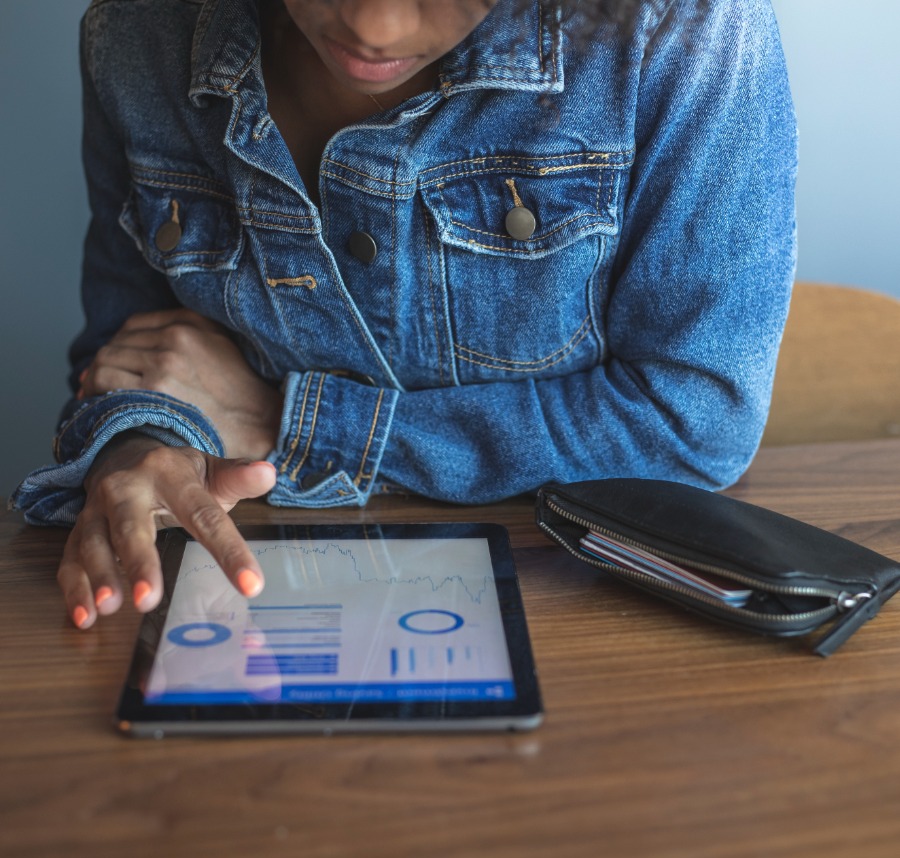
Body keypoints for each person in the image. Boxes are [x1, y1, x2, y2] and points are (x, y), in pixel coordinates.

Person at [11, 0, 797, 630]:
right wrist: (137, 446)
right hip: (248, 617)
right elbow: (129, 356)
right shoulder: (137, 35)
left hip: (587, 619)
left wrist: (292, 420)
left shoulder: (684, 28)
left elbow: (695, 417)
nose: (373, 27)